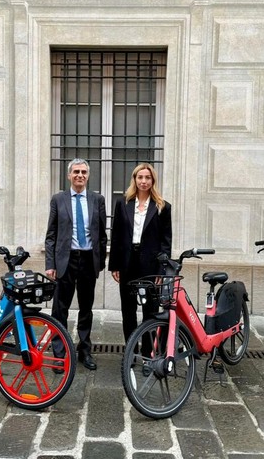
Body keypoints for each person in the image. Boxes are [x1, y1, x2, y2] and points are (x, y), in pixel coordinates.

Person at [45, 158, 107, 371]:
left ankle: (85, 351)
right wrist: (50, 263)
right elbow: (51, 235)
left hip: (88, 260)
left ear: (88, 176)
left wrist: (100, 261)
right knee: (59, 309)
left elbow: (102, 234)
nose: (80, 175)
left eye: (83, 172)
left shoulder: (97, 199)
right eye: (76, 172)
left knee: (86, 308)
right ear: (69, 175)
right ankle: (59, 354)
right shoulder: (58, 199)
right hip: (65, 260)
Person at [109, 163, 172, 343]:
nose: (144, 181)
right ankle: (130, 349)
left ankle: (147, 351)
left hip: (150, 265)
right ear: (135, 180)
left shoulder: (162, 207)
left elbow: (166, 242)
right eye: (140, 177)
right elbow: (116, 235)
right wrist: (114, 265)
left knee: (150, 310)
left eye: (147, 178)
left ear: (153, 181)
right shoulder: (123, 203)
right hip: (127, 263)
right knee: (128, 309)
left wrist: (162, 270)